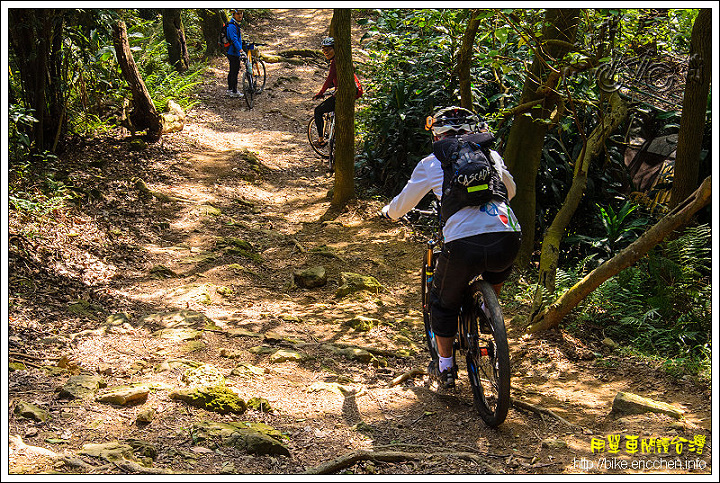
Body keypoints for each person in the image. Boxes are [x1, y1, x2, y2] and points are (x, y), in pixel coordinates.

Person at [381, 106, 522, 389]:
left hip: (463, 244)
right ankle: (487, 312)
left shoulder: (432, 162)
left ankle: (445, 368)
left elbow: (404, 203)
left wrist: (388, 213)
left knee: (443, 304)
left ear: (436, 135)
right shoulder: (491, 155)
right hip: (508, 236)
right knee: (496, 270)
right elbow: (511, 191)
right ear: (474, 131)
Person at [312, 37, 338, 147]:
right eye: (324, 50)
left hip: (339, 95)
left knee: (318, 111)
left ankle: (321, 140)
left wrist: (321, 92)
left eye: (328, 49)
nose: (325, 52)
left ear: (335, 49)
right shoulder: (340, 60)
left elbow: (329, 79)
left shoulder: (335, 62)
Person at [225, 9, 245, 97]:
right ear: (233, 15)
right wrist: (240, 50)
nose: (240, 15)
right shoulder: (232, 25)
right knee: (234, 71)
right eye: (238, 14)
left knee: (233, 70)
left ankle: (230, 90)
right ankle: (234, 91)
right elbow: (234, 39)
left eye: (241, 13)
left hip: (233, 51)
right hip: (233, 52)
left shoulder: (235, 24)